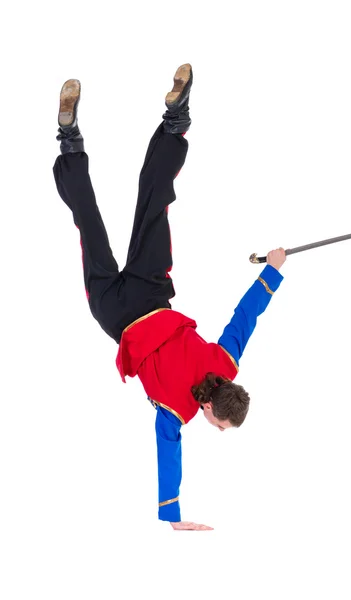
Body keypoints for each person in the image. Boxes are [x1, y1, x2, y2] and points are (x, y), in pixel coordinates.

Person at [53, 63, 286, 531]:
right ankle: (70, 139)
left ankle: (175, 122)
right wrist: (173, 516)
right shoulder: (175, 409)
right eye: (220, 426)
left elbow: (245, 318)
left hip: (149, 289)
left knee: (153, 202)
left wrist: (274, 273)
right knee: (89, 222)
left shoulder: (225, 363)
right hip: (115, 314)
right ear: (209, 409)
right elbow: (168, 455)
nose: (216, 430)